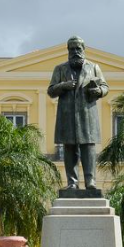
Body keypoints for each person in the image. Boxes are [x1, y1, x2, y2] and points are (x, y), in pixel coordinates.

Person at [47, 36, 108, 190]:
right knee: (69, 148)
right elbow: (51, 91)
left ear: (83, 49)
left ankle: (90, 182)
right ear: (68, 50)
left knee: (88, 147)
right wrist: (64, 85)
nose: (75, 52)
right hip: (67, 115)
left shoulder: (94, 67)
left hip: (87, 114)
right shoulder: (60, 69)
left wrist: (98, 90)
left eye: (78, 48)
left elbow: (105, 87)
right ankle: (72, 182)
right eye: (72, 49)